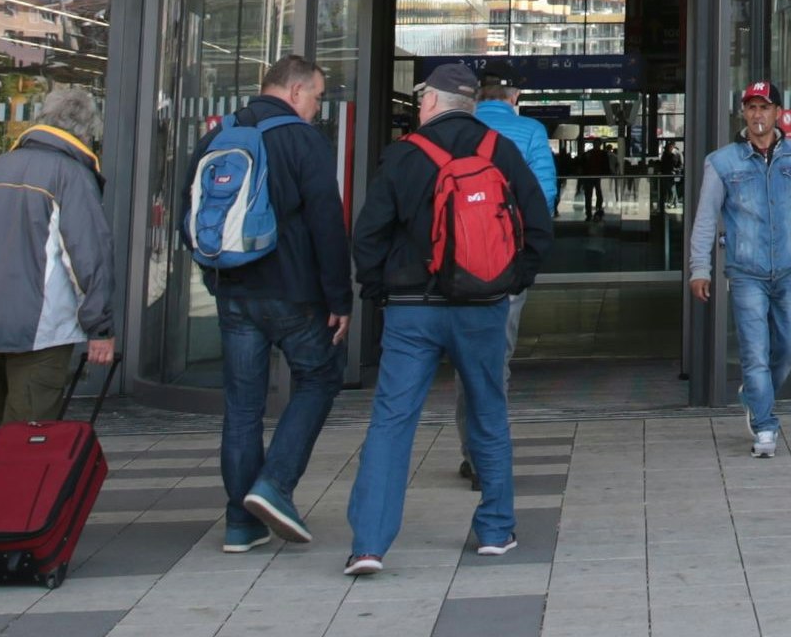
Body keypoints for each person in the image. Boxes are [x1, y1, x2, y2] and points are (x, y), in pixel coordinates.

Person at [341, 62, 553, 578]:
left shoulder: (404, 155)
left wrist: (378, 291)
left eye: (422, 101)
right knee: (487, 411)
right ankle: (496, 530)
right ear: (472, 106)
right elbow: (538, 223)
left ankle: (369, 544)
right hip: (482, 309)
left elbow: (368, 236)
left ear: (432, 103)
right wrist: (510, 281)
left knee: (392, 423)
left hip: (412, 311)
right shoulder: (499, 151)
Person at [208, 54, 349, 554]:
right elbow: (327, 222)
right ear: (294, 92)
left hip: (235, 292)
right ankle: (274, 485)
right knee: (319, 377)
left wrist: (216, 279)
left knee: (242, 407)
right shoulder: (302, 139)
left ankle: (240, 523)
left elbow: (195, 214)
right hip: (294, 290)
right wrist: (339, 296)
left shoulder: (221, 133)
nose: (317, 106)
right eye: (316, 95)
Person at [0, 83, 117, 427]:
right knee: (28, 433)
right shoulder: (72, 176)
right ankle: (10, 483)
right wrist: (100, 329)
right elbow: (87, 258)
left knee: (1, 426)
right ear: (86, 130)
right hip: (40, 328)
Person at [689, 82, 791, 459]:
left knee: (788, 349)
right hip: (747, 273)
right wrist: (698, 268)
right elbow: (705, 218)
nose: (757, 115)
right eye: (751, 108)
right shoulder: (722, 162)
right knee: (755, 353)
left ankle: (754, 395)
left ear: (778, 113)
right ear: (743, 114)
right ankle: (765, 427)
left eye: (764, 107)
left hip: (789, 270)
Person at [458, 74, 560, 487]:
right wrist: (530, 256)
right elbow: (543, 195)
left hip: (456, 261)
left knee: (469, 356)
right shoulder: (530, 130)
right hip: (507, 258)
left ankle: (472, 453)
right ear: (514, 98)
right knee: (496, 355)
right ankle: (488, 455)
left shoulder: (458, 129)